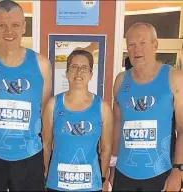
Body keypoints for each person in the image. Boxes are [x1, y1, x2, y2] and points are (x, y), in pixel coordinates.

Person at [0, 0, 52, 191]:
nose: (9, 32)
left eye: (14, 25)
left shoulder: (42, 65)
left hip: (29, 157)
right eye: (1, 25)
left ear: (24, 27)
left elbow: (43, 112)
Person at [109, 22, 183, 191]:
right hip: (124, 172)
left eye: (142, 43)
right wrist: (113, 165)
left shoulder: (174, 77)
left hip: (161, 172)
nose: (137, 50)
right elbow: (117, 126)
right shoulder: (120, 81)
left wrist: (179, 170)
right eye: (131, 45)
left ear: (155, 45)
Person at [42, 50, 113, 191]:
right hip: (57, 183)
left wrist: (102, 178)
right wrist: (45, 172)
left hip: (90, 185)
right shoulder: (53, 104)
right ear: (67, 73)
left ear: (91, 74)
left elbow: (106, 148)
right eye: (74, 67)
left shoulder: (102, 108)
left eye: (84, 68)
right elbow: (46, 144)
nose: (79, 72)